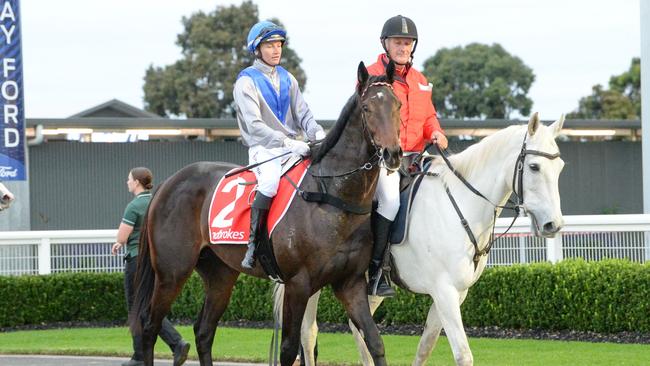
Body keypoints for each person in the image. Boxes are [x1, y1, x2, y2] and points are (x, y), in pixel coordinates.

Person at [365, 15, 449, 297]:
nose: (403, 47)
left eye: (408, 42)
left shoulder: (421, 80)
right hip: (384, 157)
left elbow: (429, 116)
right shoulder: (371, 73)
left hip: (417, 156)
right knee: (389, 201)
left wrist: (436, 131)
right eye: (398, 42)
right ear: (385, 44)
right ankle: (377, 271)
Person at [233, 20, 326, 269]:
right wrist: (287, 141)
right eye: (269, 45)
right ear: (257, 49)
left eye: (278, 44)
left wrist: (316, 131)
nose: (276, 50)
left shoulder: (288, 79)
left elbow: (303, 113)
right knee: (271, 183)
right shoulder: (246, 82)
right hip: (264, 149)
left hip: (291, 147)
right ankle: (254, 244)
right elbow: (254, 126)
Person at [111, 167, 190, 366]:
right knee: (149, 305)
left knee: (138, 308)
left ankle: (158, 349)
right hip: (157, 259)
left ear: (137, 182)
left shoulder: (134, 206)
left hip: (137, 260)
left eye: (129, 179)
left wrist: (119, 242)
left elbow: (122, 235)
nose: (127, 182)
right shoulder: (157, 201)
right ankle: (171, 345)